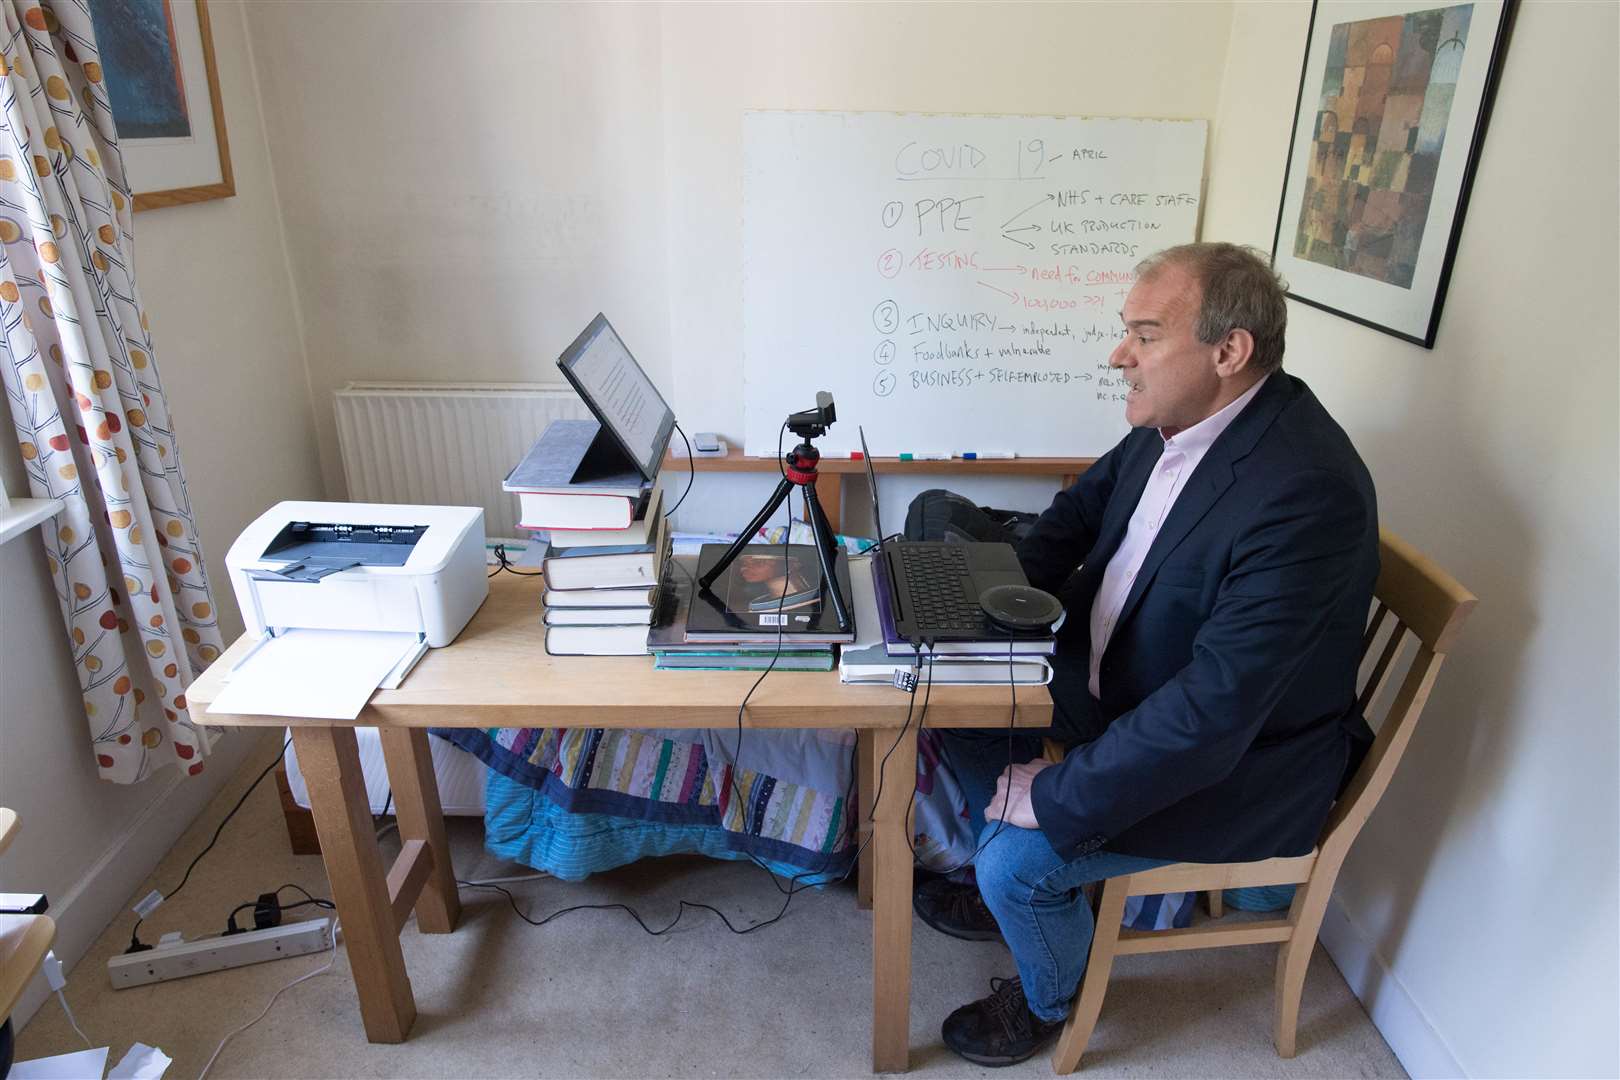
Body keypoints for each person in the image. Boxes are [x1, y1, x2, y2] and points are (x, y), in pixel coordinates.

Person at [916, 242, 1379, 1067]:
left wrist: (1059, 791)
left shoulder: (1307, 492)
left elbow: (1212, 714)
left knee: (1017, 864)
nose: (1118, 355)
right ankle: (1019, 849)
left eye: (1144, 334)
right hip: (1128, 691)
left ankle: (1047, 993)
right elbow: (1074, 520)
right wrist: (973, 614)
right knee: (944, 697)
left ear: (1229, 351)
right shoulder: (1181, 420)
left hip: (1236, 766)